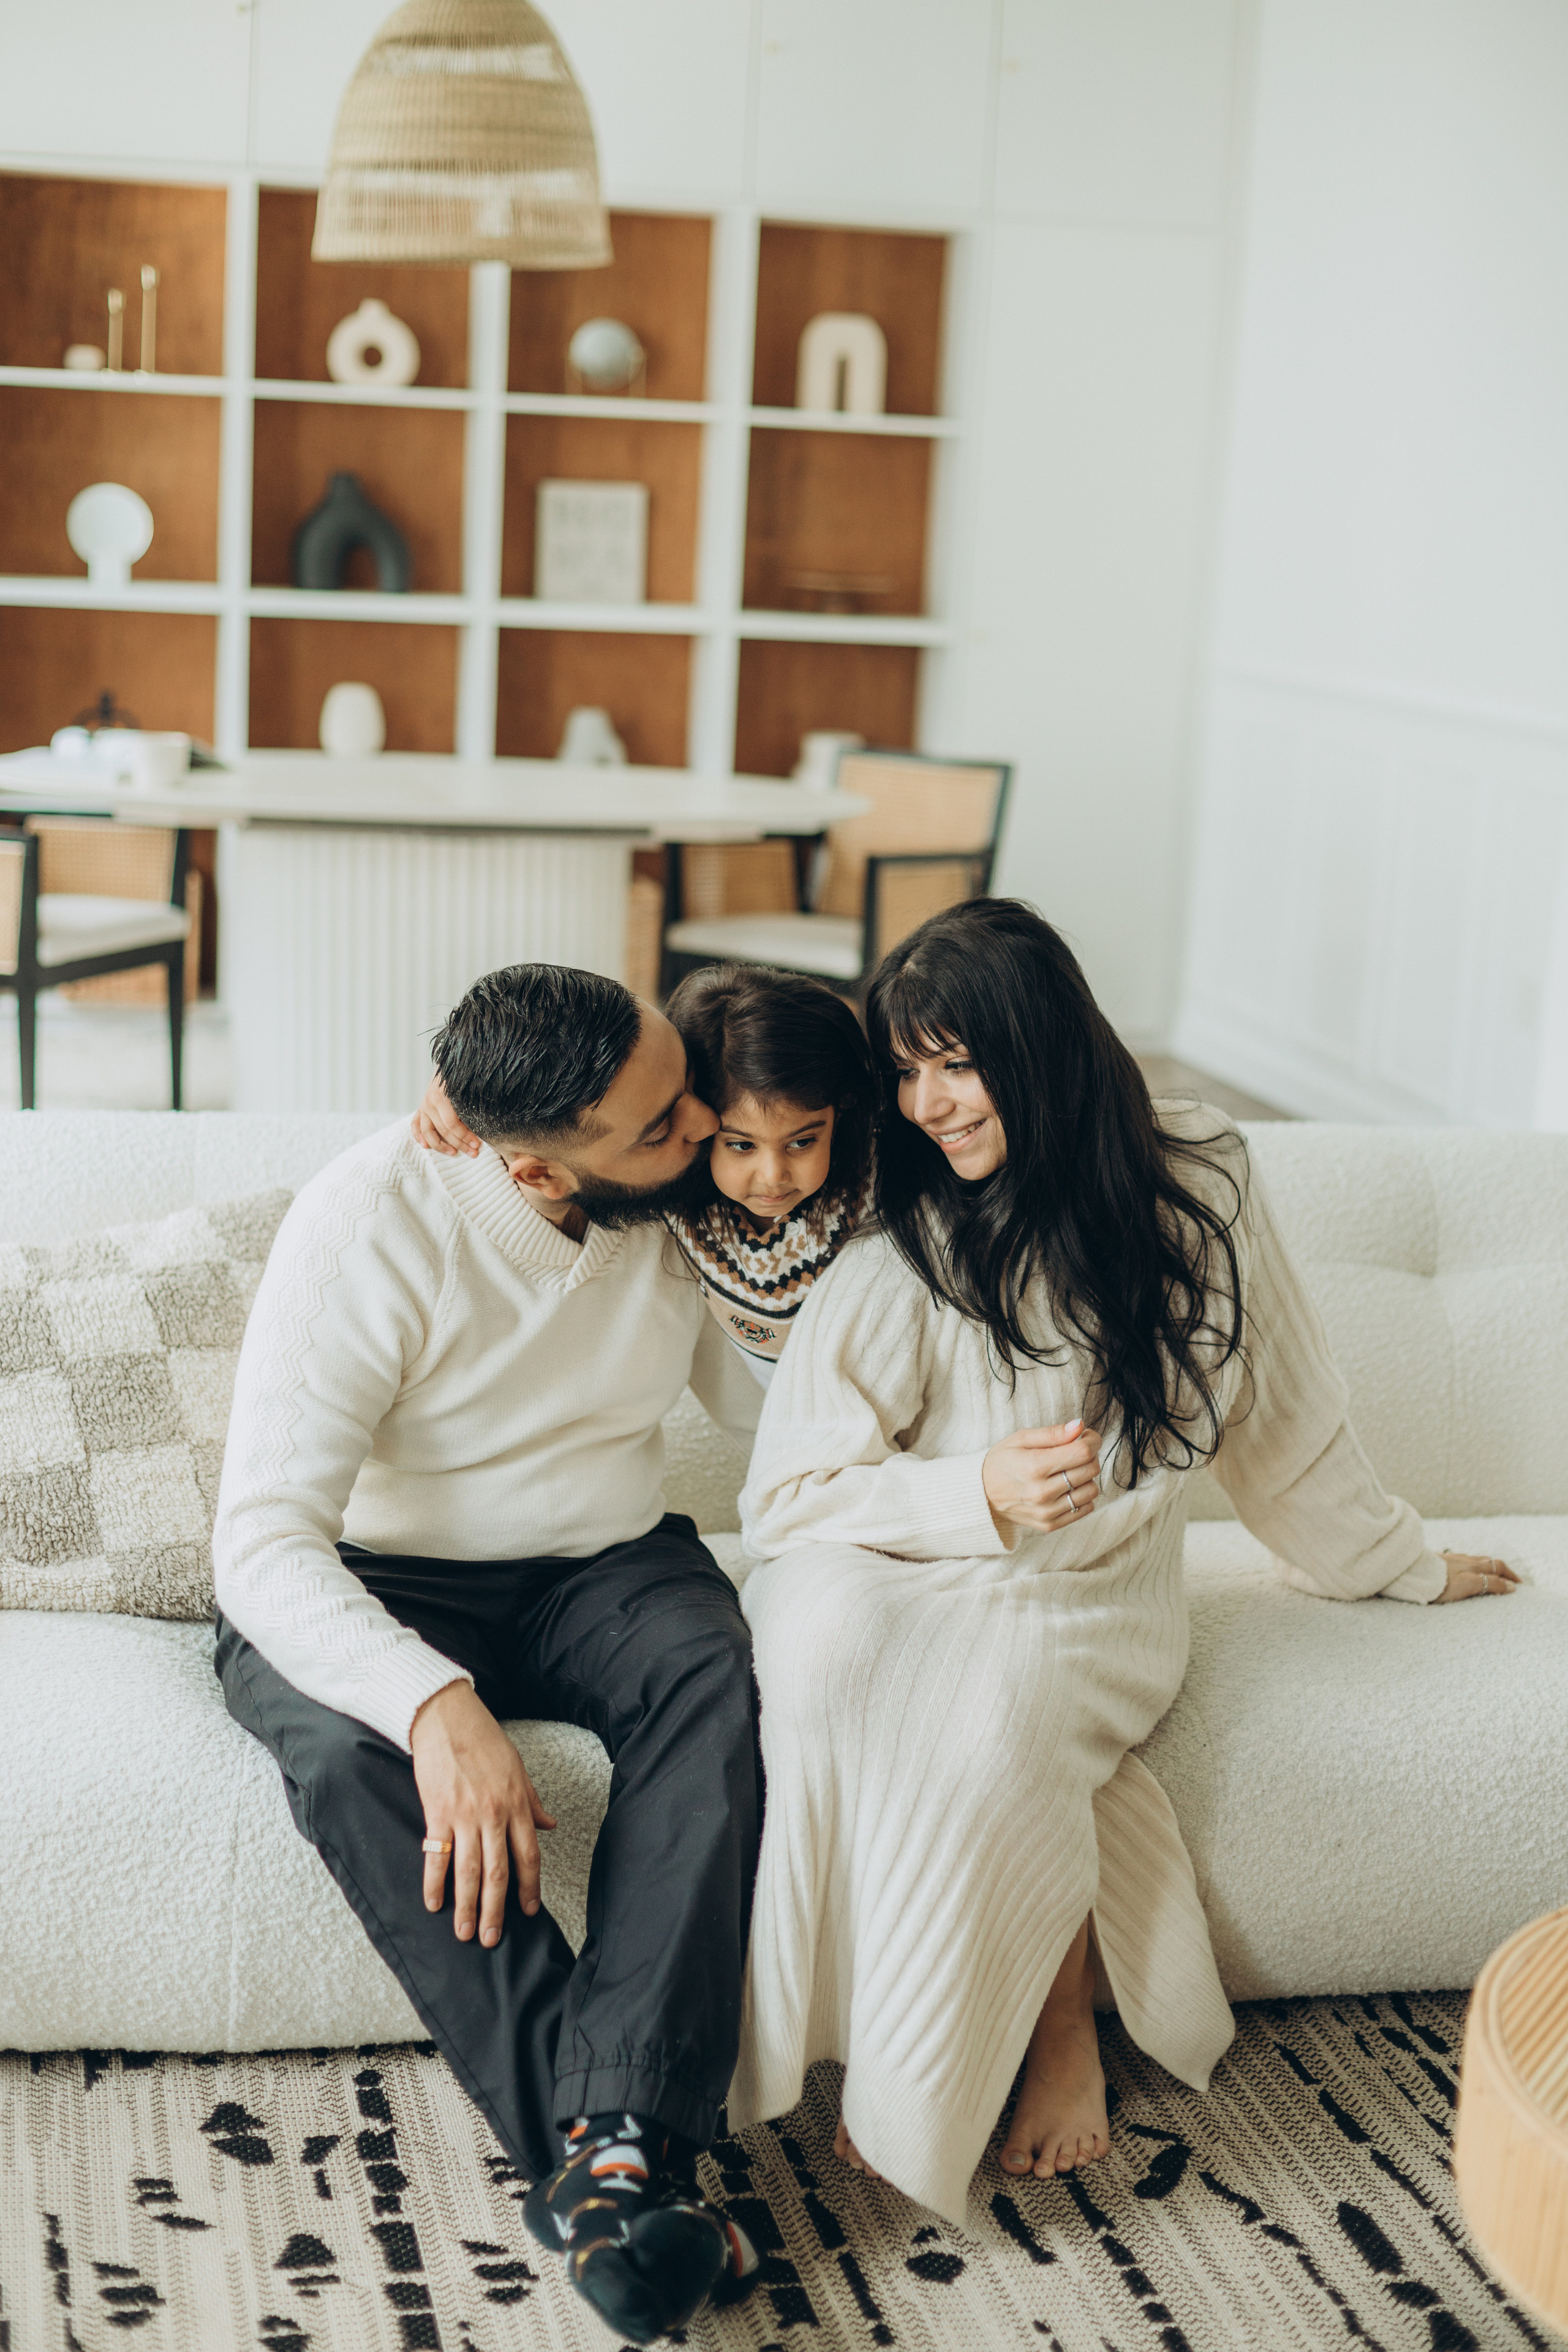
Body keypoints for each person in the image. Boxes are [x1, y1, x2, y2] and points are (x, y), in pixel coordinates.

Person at [728, 898, 1517, 2226]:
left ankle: (1038, 2036)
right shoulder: (903, 1232)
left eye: (954, 1063)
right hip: (883, 1551)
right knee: (820, 1662)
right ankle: (893, 2039)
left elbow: (1282, 1411)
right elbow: (786, 1499)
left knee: (991, 1713)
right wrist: (965, 1487)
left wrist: (1395, 1563)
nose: (925, 1104)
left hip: (1081, 1587)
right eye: (905, 1070)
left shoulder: (1197, 1174)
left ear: (1038, 1046)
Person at [212, 963, 770, 2348]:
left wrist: (802, 1254)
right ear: (524, 1155)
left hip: (609, 1557)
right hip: (378, 1573)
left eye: (681, 1086)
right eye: (656, 1125)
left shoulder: (683, 1174)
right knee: (351, 1753)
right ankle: (620, 2170)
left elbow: (783, 1404)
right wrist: (432, 1701)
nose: (697, 1123)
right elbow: (264, 1539)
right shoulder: (368, 1222)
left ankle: (609, 2158)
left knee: (721, 1679)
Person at [416, 962, 877, 1391]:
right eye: (740, 1144)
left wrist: (467, 1076)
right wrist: (465, 1091)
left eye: (688, 1084)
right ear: (543, 1174)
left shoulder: (868, 1190)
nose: (704, 1125)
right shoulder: (659, 1194)